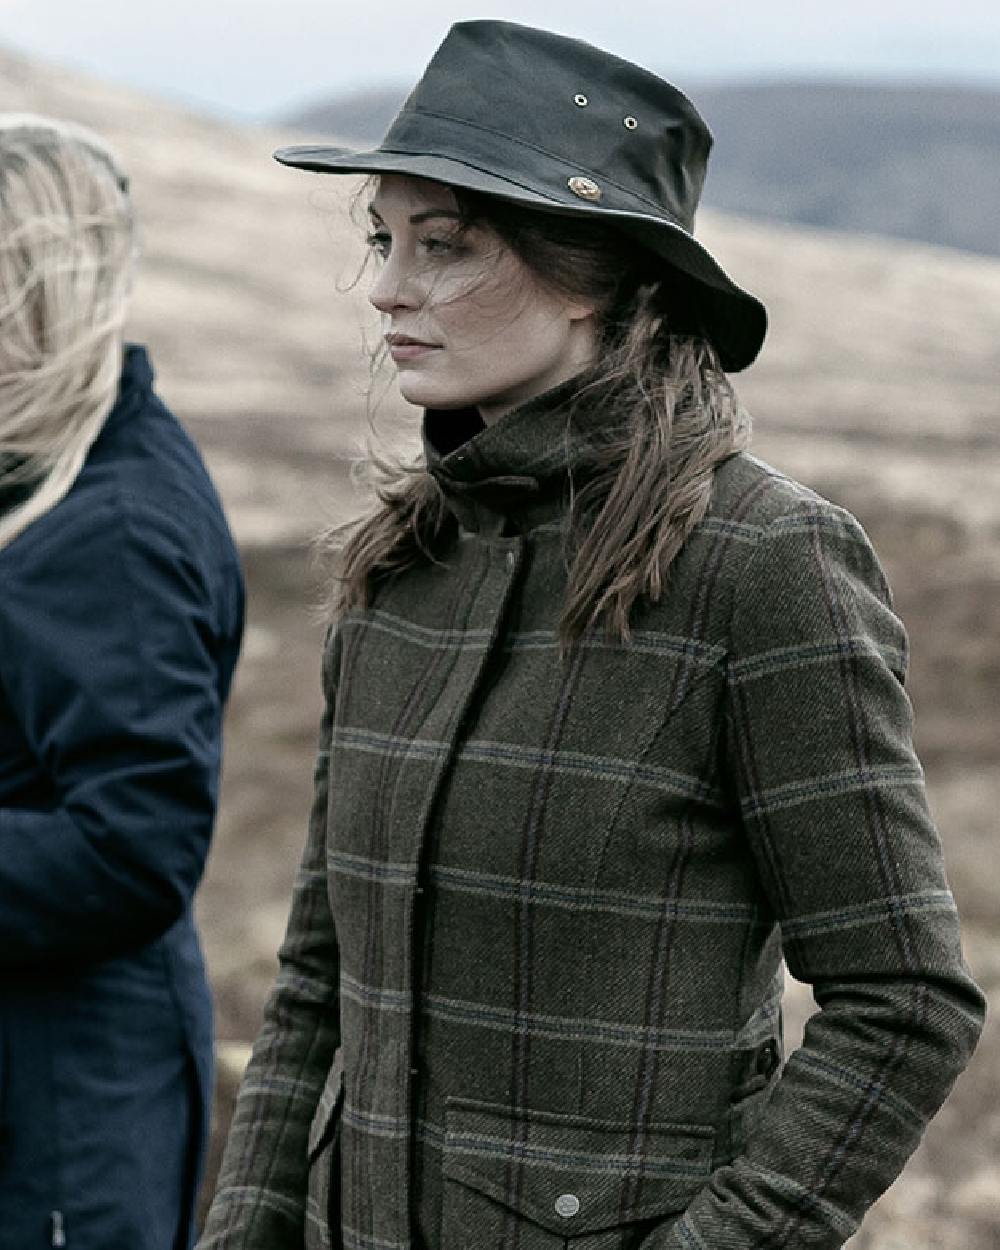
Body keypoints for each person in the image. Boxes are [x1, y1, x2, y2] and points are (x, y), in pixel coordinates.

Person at [200, 21, 984, 1250]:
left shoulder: (762, 564)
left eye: (443, 244)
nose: (389, 288)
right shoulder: (401, 566)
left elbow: (905, 1000)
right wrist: (244, 1227)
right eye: (382, 240)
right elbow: (317, 978)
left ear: (589, 271)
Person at [0, 116, 244, 1249]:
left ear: (32, 296)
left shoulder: (113, 528)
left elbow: (132, 849)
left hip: (63, 1114)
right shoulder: (49, 472)